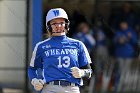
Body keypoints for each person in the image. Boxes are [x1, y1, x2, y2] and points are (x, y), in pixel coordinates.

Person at [28, 8, 92, 93]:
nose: (58, 26)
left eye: (61, 23)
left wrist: (82, 73)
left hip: (72, 89)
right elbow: (32, 69)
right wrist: (35, 80)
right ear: (49, 26)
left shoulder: (78, 45)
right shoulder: (41, 46)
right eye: (54, 23)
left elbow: (89, 72)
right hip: (50, 88)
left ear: (66, 24)